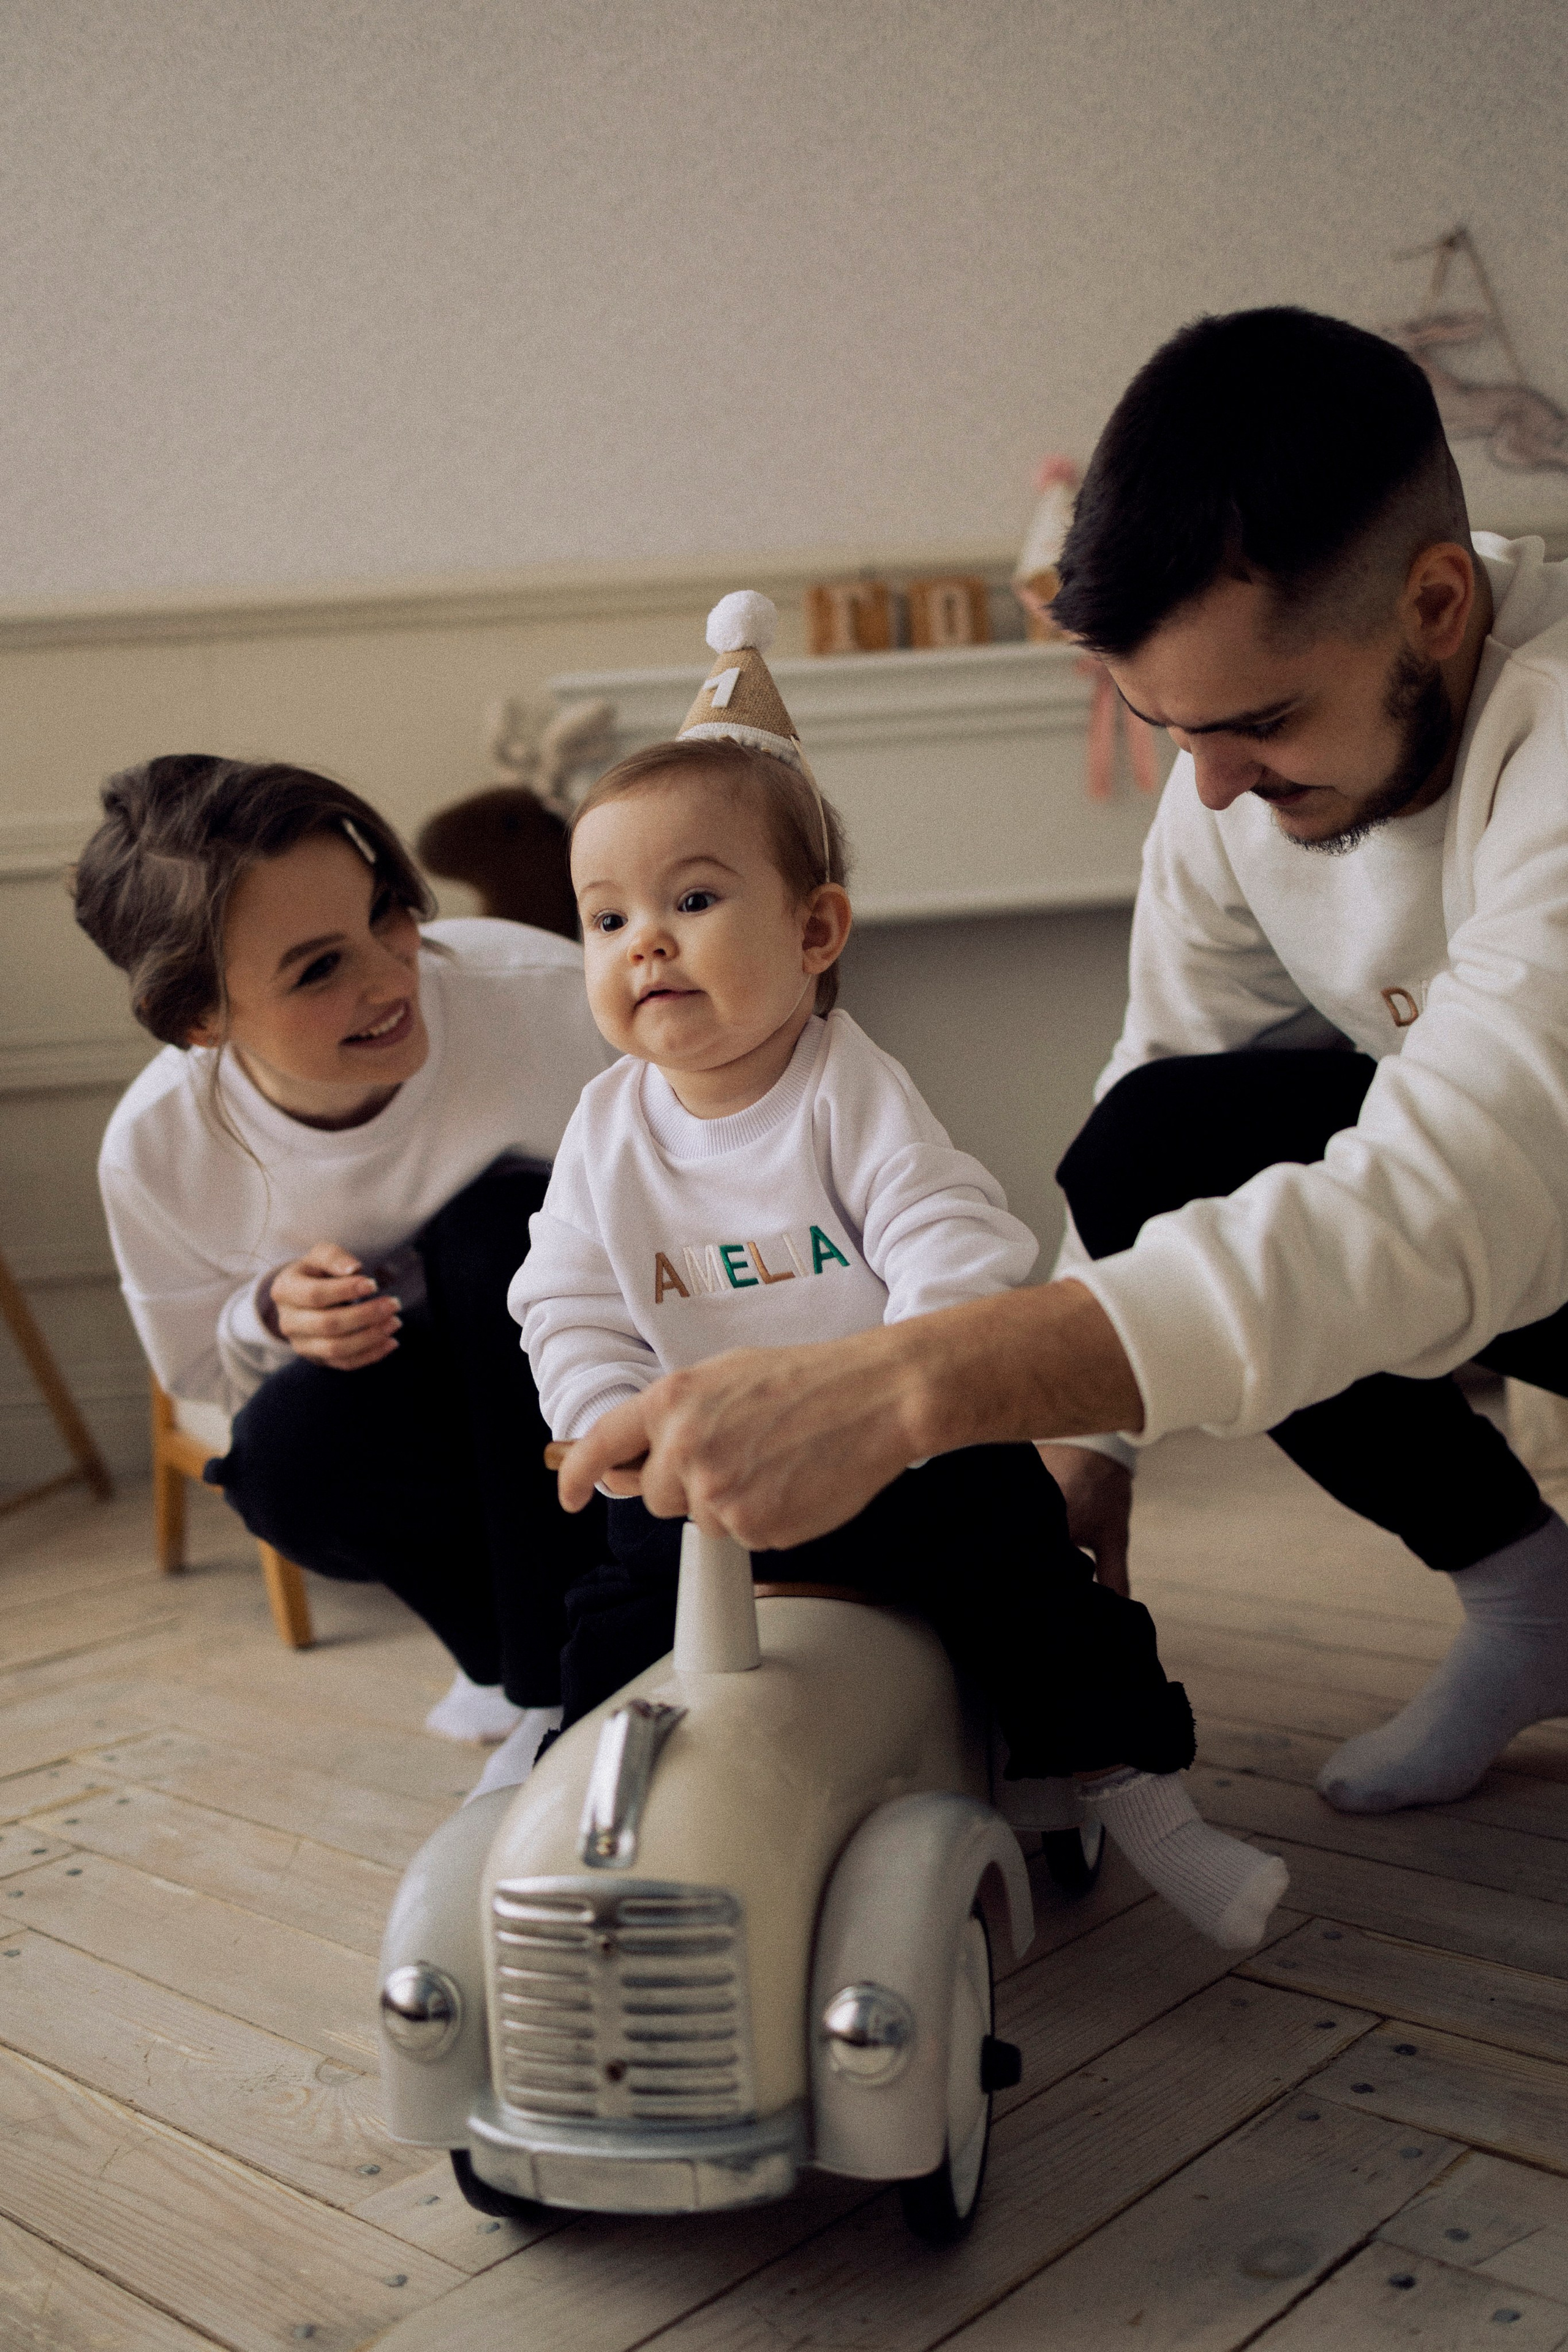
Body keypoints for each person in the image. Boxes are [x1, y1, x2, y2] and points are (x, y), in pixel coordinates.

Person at [556, 309, 1568, 1822]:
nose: (1211, 785)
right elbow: (1164, 1079)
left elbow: (1454, 1201)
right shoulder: (1222, 782)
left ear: (1433, 604)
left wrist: (905, 1389)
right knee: (1151, 1144)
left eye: (1258, 721)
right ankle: (1530, 1605)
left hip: (1533, 1198)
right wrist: (1082, 1451)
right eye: (1167, 730)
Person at [514, 592, 1289, 1949]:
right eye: (604, 917)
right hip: (700, 1479)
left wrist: (901, 1386)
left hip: (894, 1459)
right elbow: (564, 1293)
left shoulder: (840, 1092)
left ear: (815, 933)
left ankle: (1139, 1796)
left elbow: (950, 1237)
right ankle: (577, 1816)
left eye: (692, 900)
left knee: (1031, 1582)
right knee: (591, 1626)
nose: (643, 940)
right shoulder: (602, 1129)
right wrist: (601, 1412)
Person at [77, 754, 609, 1747]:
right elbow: (198, 1371)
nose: (390, 974)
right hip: (422, 1432)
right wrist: (272, 1310)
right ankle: (508, 1662)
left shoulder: (549, 1000)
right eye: (319, 968)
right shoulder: (158, 1148)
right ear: (199, 1020)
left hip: (600, 1374)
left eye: (387, 912)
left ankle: (560, 1684)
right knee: (279, 1459)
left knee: (498, 1230)